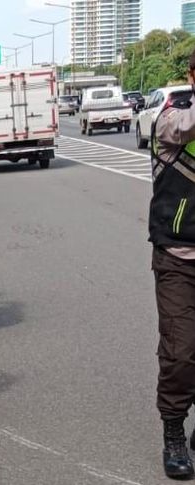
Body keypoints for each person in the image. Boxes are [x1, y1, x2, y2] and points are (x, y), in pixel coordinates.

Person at [150, 49, 195, 480]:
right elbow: (184, 127)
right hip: (177, 256)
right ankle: (173, 430)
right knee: (182, 353)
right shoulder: (172, 117)